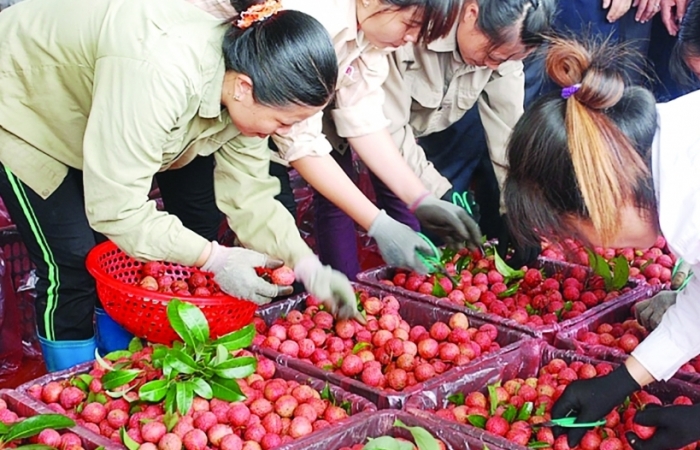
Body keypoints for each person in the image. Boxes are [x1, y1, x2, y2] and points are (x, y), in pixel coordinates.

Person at [0, 0, 360, 372]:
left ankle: (118, 369)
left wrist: (307, 266)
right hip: (19, 106)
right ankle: (71, 391)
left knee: (116, 255)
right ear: (244, 88)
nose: (285, 134)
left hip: (87, 111)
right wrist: (215, 258)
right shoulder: (161, 73)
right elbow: (117, 209)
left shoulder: (251, 87)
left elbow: (251, 196)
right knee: (72, 260)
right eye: (284, 122)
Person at [503, 37, 700, 450]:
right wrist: (623, 380)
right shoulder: (669, 141)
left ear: (597, 200)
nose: (588, 246)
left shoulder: (692, 202)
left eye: (574, 232)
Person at [191, 0, 480, 281]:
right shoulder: (314, 16)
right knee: (203, 213)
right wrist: (378, 224)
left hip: (243, 113)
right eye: (411, 24)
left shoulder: (369, 33)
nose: (412, 39)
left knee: (260, 217)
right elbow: (301, 141)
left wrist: (420, 198)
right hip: (200, 96)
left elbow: (363, 114)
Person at [368, 0, 556, 272]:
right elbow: (389, 131)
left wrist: (514, 209)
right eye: (492, 55)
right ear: (471, 13)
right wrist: (439, 193)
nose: (493, 65)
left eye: (505, 60)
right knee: (406, 222)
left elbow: (508, 128)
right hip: (372, 130)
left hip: (410, 134)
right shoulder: (412, 27)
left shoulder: (504, 50)